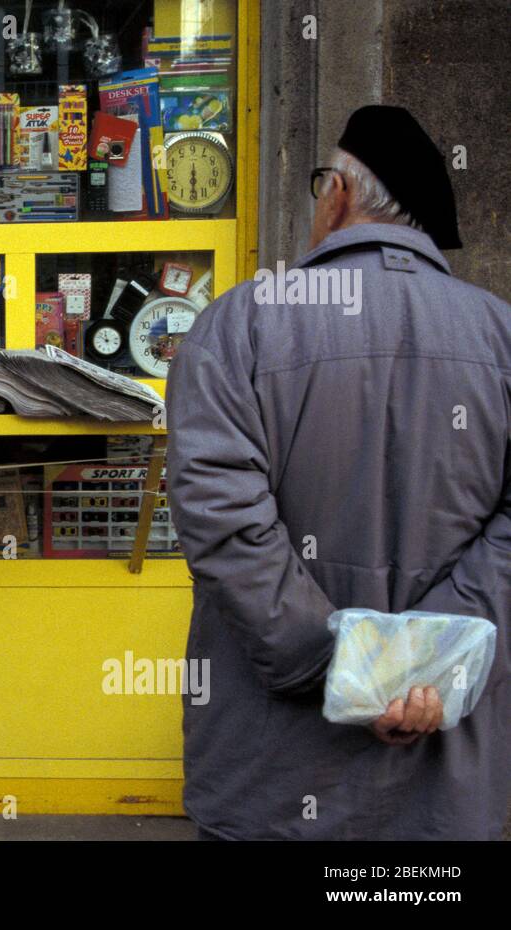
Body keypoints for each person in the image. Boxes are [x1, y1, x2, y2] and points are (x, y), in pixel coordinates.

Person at [166, 105, 510, 840]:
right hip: (439, 793)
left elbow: (221, 518)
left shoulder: (237, 326)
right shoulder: (500, 339)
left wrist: (347, 670)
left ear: (340, 194)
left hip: (269, 789)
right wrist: (421, 667)